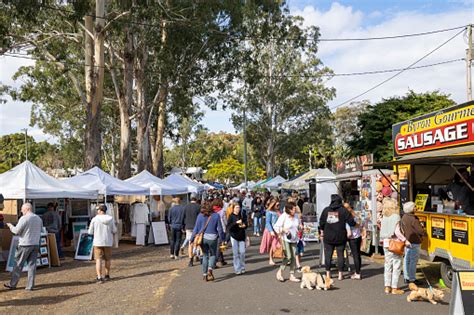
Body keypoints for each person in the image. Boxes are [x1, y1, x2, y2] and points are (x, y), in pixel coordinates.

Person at [4, 203, 43, 291]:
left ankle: (12, 284)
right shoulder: (38, 218)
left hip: (25, 244)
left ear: (27, 209)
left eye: (22, 209)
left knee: (18, 265)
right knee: (32, 266)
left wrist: (10, 226)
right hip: (35, 244)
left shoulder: (24, 218)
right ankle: (30, 286)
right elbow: (40, 230)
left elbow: (16, 231)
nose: (21, 211)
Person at [319, 194, 356, 282]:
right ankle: (340, 274)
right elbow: (351, 222)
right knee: (340, 255)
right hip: (341, 236)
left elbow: (321, 223)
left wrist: (322, 230)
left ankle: (328, 273)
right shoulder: (343, 210)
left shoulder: (326, 210)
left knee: (328, 255)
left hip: (328, 236)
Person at [191, 204, 225, 281]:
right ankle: (210, 269)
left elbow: (196, 228)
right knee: (213, 254)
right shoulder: (216, 215)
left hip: (203, 238)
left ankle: (204, 274)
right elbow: (220, 229)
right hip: (213, 238)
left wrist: (192, 239)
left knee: (205, 255)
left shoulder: (200, 215)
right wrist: (222, 239)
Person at [380, 202, 406, 295]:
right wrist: (405, 240)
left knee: (387, 265)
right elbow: (397, 232)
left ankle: (387, 287)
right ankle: (394, 287)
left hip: (386, 243)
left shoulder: (384, 217)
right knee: (397, 266)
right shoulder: (396, 217)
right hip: (395, 243)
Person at [88, 204, 117, 282]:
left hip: (97, 242)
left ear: (100, 210)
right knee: (107, 259)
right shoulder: (111, 219)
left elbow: (90, 232)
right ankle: (107, 275)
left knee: (98, 260)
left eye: (98, 210)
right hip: (108, 241)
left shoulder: (94, 219)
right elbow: (114, 230)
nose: (97, 211)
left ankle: (99, 277)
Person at [274, 202, 300, 283]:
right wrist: (283, 229)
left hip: (294, 238)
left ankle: (292, 275)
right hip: (285, 238)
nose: (295, 210)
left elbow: (298, 226)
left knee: (293, 256)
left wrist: (301, 227)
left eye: (295, 208)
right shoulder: (284, 216)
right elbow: (276, 226)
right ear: (289, 209)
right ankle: (280, 272)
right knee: (288, 256)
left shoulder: (296, 216)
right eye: (293, 209)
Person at [401, 201, 426, 285]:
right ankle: (412, 278)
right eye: (415, 207)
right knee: (413, 261)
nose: (416, 208)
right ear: (411, 209)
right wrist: (424, 232)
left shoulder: (404, 217)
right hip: (414, 241)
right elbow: (420, 231)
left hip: (407, 241)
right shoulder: (413, 219)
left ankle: (406, 277)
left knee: (406, 260)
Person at [182, 194, 201, 267]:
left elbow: (183, 217)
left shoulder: (186, 207)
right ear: (196, 199)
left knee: (190, 243)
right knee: (198, 243)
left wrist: (183, 226)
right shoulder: (198, 207)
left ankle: (191, 260)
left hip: (188, 227)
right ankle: (197, 255)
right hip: (197, 227)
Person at [227, 204, 247, 275]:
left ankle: (242, 267)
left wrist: (245, 225)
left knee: (242, 252)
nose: (238, 209)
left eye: (239, 207)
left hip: (241, 236)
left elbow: (246, 223)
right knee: (235, 254)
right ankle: (237, 269)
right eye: (236, 207)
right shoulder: (231, 216)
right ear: (233, 208)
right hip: (234, 236)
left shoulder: (242, 214)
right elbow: (229, 227)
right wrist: (236, 223)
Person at [344, 203, 362, 280]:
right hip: (358, 236)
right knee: (358, 254)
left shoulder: (347, 217)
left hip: (352, 238)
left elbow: (349, 225)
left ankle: (357, 273)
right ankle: (358, 271)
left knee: (355, 255)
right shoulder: (355, 214)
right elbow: (359, 224)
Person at [260, 198, 280, 265]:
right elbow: (268, 222)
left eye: (278, 204)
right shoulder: (268, 211)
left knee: (276, 244)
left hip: (277, 231)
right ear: (273, 204)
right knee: (271, 244)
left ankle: (281, 256)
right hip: (270, 231)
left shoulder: (278, 211)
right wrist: (271, 231)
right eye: (277, 204)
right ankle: (271, 259)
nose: (278, 205)